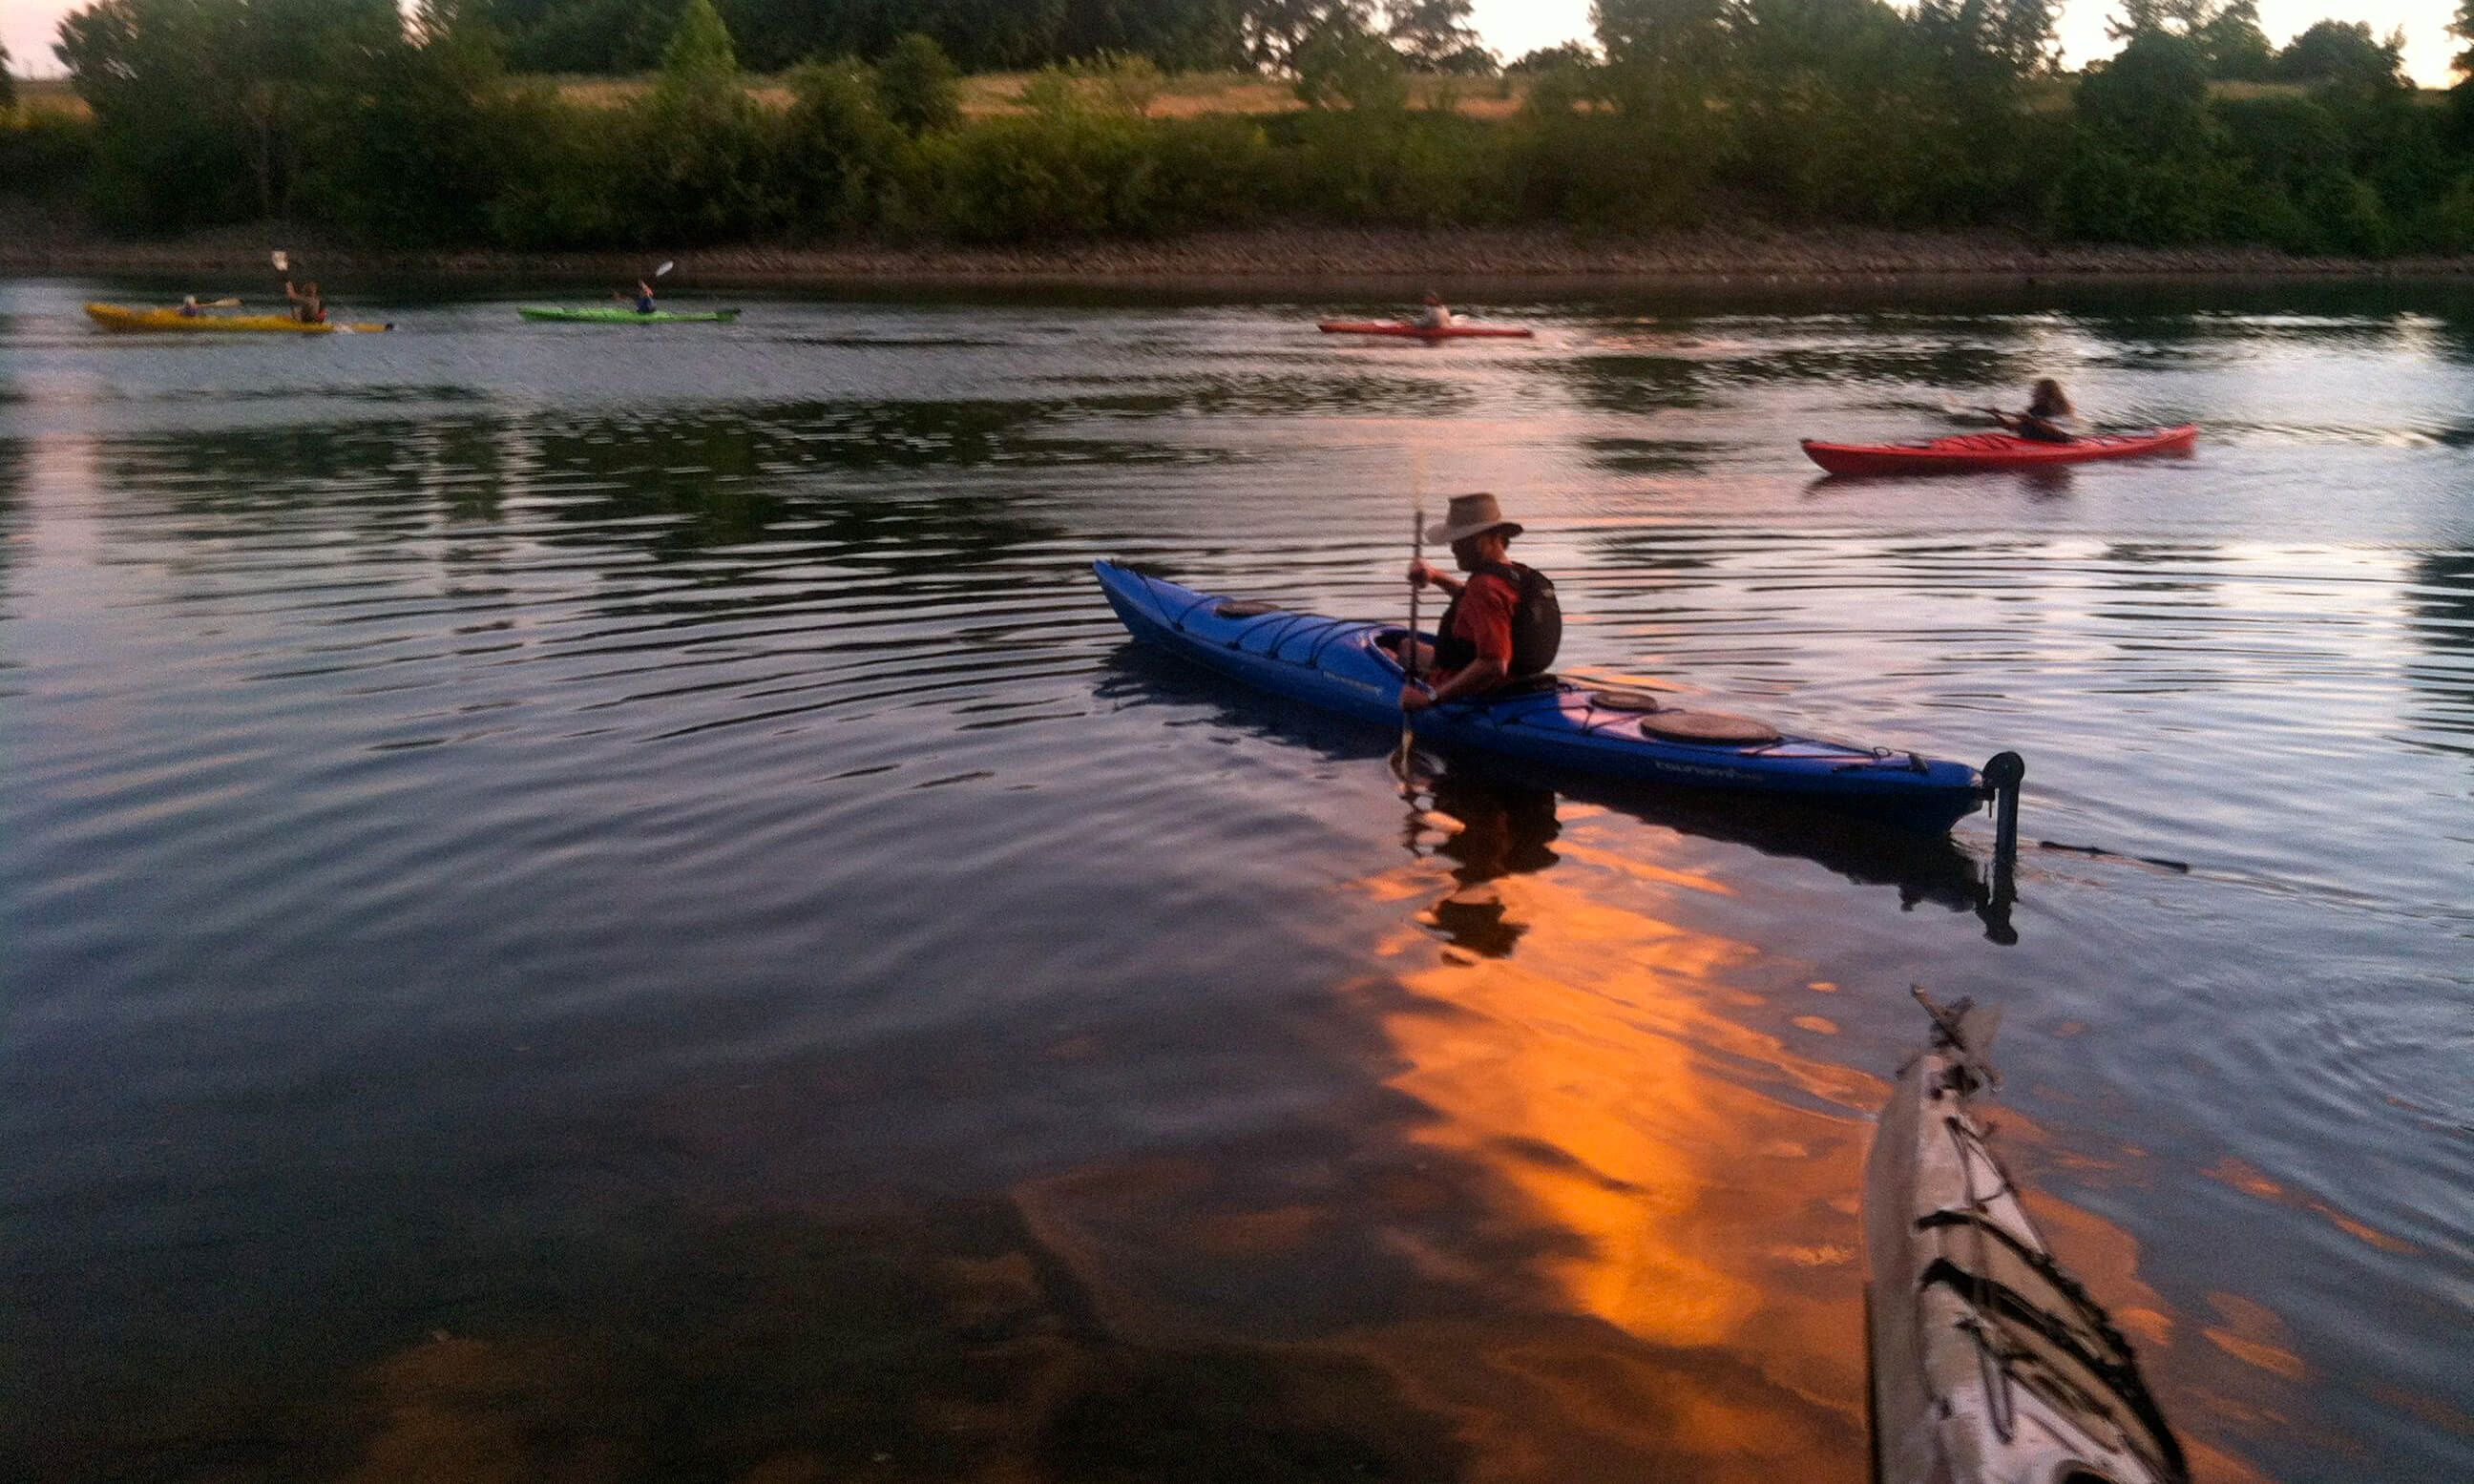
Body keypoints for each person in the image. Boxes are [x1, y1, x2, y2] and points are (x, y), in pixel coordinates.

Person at [1395, 491, 1562, 714]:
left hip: (1486, 688)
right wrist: (1434, 576)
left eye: (1458, 540)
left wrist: (1429, 699)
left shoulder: (1485, 586)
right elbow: (1480, 603)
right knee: (1406, 647)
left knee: (1389, 657)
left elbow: (1494, 665)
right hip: (1524, 682)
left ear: (1483, 540)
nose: (1452, 548)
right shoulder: (1519, 575)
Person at [1993, 379, 2075, 444]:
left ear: (2048, 395)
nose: (2033, 394)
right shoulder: (2035, 410)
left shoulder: (2061, 410)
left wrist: (2033, 421)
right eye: (2034, 391)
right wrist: (1997, 416)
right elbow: (2014, 427)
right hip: (2032, 444)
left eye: (2037, 391)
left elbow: (2058, 433)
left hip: (2056, 445)